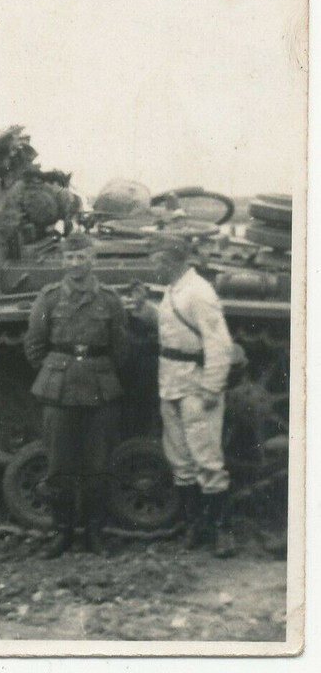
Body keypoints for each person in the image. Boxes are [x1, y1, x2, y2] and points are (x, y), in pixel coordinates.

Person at [131, 235, 237, 558]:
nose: (153, 265)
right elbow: (173, 330)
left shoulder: (199, 293)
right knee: (181, 460)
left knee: (206, 459)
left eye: (156, 259)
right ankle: (197, 525)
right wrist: (144, 309)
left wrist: (211, 386)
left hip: (195, 385)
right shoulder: (176, 290)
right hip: (172, 384)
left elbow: (219, 344)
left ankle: (221, 531)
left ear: (171, 259)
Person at [24, 234, 128, 558]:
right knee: (59, 466)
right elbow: (35, 344)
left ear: (91, 259)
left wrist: (96, 372)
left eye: (81, 257)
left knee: (99, 465)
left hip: (99, 388)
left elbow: (121, 348)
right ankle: (62, 532)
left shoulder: (110, 300)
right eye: (70, 258)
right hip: (60, 389)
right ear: (63, 262)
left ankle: (95, 533)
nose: (75, 264)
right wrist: (58, 371)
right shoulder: (50, 298)